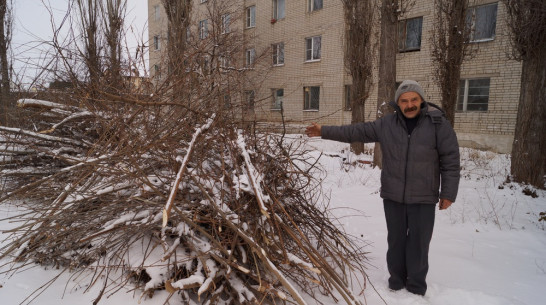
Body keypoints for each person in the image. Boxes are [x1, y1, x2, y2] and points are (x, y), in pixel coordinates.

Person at [305, 80, 460, 296]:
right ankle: (396, 284)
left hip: (424, 196)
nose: (409, 105)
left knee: (419, 243)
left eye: (414, 99)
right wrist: (323, 131)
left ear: (422, 100)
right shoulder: (386, 124)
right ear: (398, 103)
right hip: (393, 194)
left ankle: (415, 287)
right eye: (404, 101)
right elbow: (355, 132)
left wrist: (448, 193)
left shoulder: (438, 124)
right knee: (395, 240)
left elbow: (450, 160)